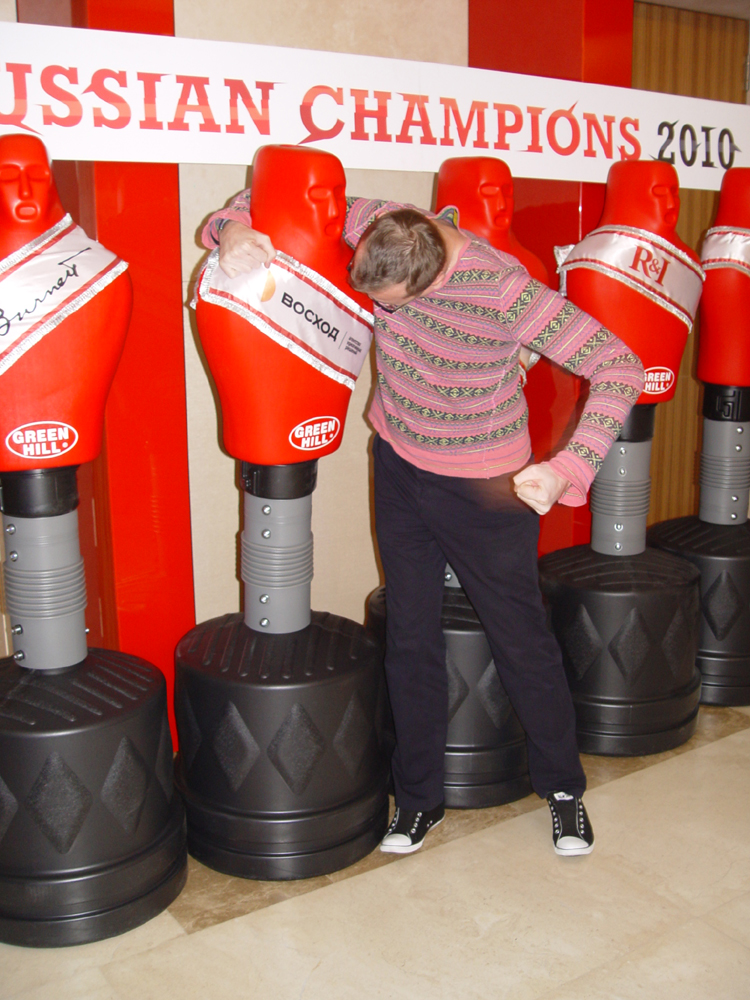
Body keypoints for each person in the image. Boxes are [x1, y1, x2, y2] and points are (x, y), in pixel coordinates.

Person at [203, 189, 645, 858]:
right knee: (409, 636)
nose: (383, 314)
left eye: (393, 304)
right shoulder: (379, 221)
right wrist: (230, 229)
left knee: (520, 640)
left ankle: (562, 789)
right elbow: (267, 196)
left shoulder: (504, 290)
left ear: (434, 277)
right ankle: (418, 801)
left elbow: (619, 365)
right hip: (400, 465)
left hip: (486, 487)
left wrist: (569, 468)